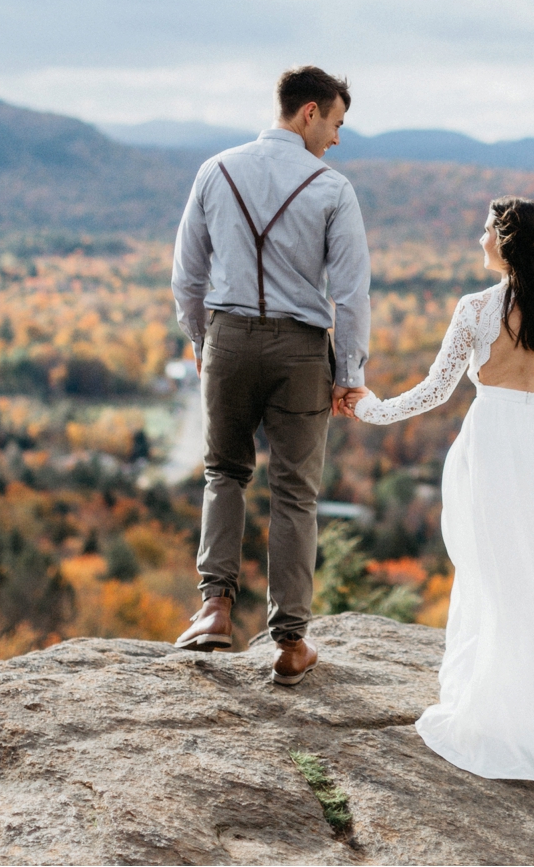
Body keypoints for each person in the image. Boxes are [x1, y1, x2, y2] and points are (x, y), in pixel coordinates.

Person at [346, 196, 534, 798]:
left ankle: (496, 717)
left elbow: (433, 391)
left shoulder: (476, 309)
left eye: (485, 230)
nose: (478, 239)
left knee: (496, 578)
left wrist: (372, 410)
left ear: (506, 242)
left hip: (495, 449)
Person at [171, 65, 370, 685]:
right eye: (336, 122)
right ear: (309, 112)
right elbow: (352, 296)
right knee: (294, 493)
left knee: (224, 472)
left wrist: (205, 340)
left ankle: (213, 608)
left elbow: (186, 277)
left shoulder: (216, 170)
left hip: (229, 339)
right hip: (301, 352)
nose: (337, 138)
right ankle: (289, 644)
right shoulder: (333, 189)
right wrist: (349, 371)